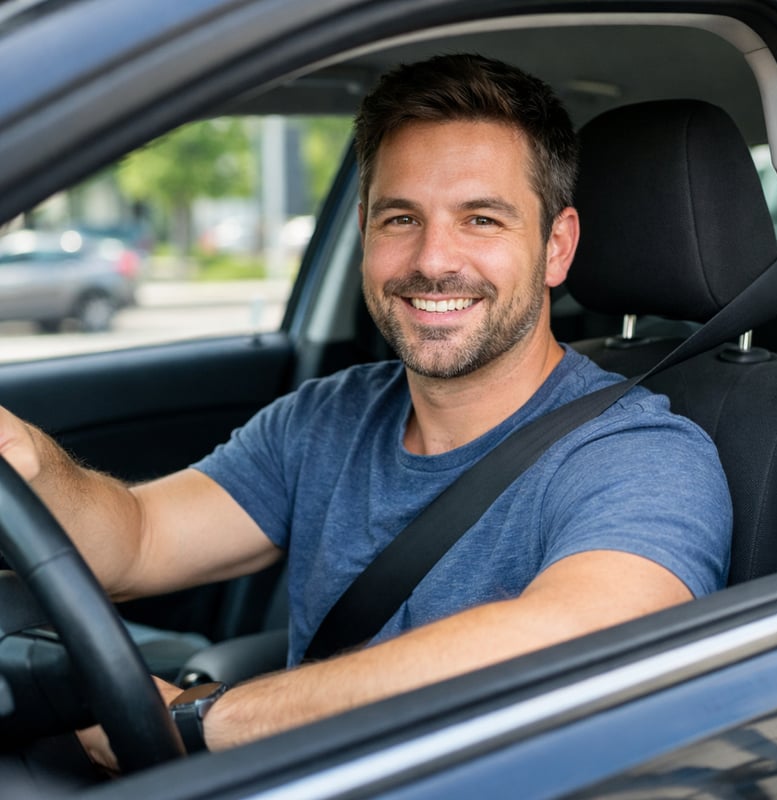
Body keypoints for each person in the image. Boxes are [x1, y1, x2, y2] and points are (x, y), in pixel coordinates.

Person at [0, 53, 731, 762]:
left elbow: (577, 639)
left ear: (556, 247)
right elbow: (139, 540)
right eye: (400, 218)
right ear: (364, 232)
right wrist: (30, 463)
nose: (433, 260)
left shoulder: (643, 456)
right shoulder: (328, 416)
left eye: (481, 219)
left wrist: (202, 722)